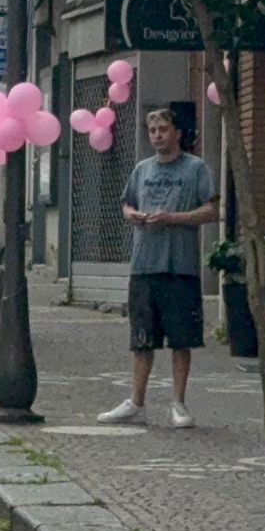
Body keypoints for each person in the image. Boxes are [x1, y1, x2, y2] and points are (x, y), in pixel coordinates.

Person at [98, 109, 219, 429]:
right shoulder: (141, 169)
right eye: (152, 130)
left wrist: (174, 218)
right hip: (144, 264)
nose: (157, 136)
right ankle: (136, 402)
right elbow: (125, 204)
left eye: (163, 129)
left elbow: (212, 211)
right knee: (141, 338)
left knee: (181, 339)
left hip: (180, 266)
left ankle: (178, 403)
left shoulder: (196, 169)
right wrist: (133, 215)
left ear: (177, 133)